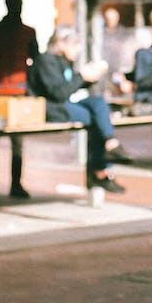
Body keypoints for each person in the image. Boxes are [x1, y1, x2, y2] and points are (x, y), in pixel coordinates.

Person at [32, 28, 126, 193]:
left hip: (66, 103)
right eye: (75, 45)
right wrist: (82, 76)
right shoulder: (46, 61)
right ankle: (101, 171)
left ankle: (111, 143)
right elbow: (58, 93)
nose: (78, 50)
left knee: (98, 104)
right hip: (51, 107)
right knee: (93, 118)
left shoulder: (64, 62)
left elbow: (69, 87)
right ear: (61, 44)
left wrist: (91, 78)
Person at [0, 0, 40, 199]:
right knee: (10, 141)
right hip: (11, 91)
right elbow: (36, 60)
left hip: (2, 90)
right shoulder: (27, 32)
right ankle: (8, 184)